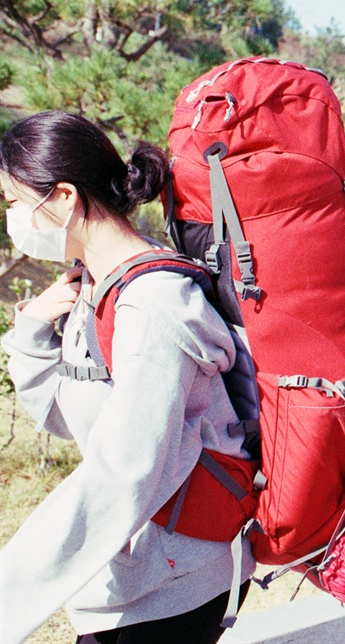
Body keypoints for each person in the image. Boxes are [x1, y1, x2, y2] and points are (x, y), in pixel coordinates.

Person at [0, 111, 254, 644]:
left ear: (64, 196)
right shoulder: (95, 287)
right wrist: (29, 332)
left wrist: (10, 595)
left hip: (176, 581)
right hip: (132, 573)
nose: (13, 217)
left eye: (15, 201)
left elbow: (127, 469)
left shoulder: (153, 303)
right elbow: (69, 417)